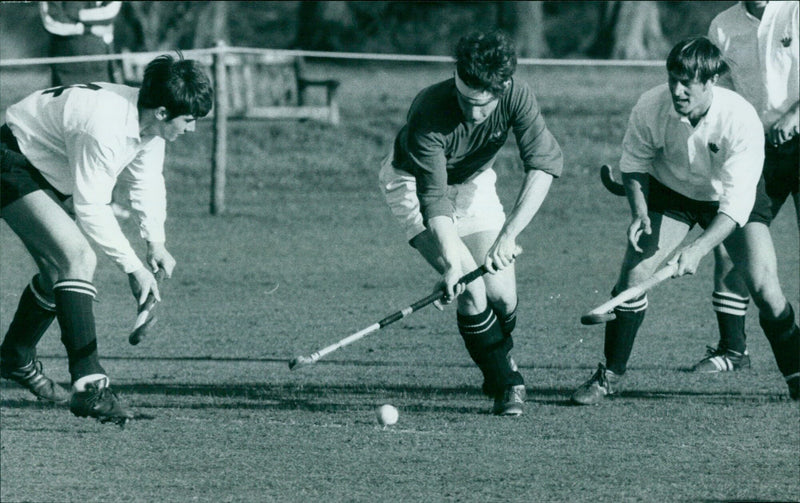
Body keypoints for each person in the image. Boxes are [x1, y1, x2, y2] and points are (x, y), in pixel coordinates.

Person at [571, 37, 799, 405]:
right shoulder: (651, 105)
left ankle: (796, 376)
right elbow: (634, 163)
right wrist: (640, 211)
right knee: (634, 275)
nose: (677, 90)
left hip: (728, 200)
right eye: (673, 79)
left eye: (687, 83)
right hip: (671, 193)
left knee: (765, 287)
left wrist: (698, 249)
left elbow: (737, 205)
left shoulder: (740, 119)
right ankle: (608, 377)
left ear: (710, 82)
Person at [0, 54, 213, 425]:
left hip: (42, 171)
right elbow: (92, 208)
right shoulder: (104, 125)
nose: (191, 129)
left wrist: (155, 242)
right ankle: (89, 386)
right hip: (11, 161)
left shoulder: (148, 122)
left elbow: (146, 181)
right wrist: (133, 268)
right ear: (162, 112)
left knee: (59, 274)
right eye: (188, 120)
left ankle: (15, 357)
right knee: (77, 259)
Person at [378, 31, 563, 416]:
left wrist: (509, 235)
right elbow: (433, 198)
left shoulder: (517, 95)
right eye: (466, 101)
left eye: (483, 105)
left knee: (502, 297)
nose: (474, 114)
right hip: (414, 186)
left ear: (502, 88)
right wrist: (450, 262)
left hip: (474, 184)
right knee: (470, 288)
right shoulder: (429, 109)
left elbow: (543, 166)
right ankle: (506, 381)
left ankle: (495, 360)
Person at [40, 2, 123, 87]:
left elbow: (108, 13)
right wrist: (89, 29)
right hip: (66, 65)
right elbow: (51, 20)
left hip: (100, 64)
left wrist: (73, 13)